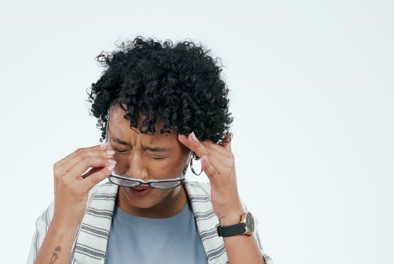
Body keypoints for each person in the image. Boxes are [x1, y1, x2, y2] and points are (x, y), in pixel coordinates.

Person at [27, 36, 274, 264]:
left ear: (195, 148)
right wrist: (64, 222)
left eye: (157, 153)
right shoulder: (68, 210)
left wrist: (230, 212)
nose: (136, 172)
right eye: (120, 147)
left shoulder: (227, 214)